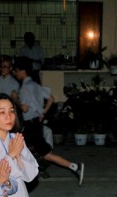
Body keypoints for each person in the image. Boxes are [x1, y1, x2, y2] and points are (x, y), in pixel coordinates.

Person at [13, 57, 84, 185]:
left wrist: (15, 99)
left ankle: (16, 176)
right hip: (36, 124)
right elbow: (51, 98)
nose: (15, 73)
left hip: (31, 126)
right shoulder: (35, 84)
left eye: (16, 71)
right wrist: (42, 113)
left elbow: (24, 108)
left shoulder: (25, 87)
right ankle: (74, 167)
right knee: (41, 153)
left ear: (22, 71)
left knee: (17, 149)